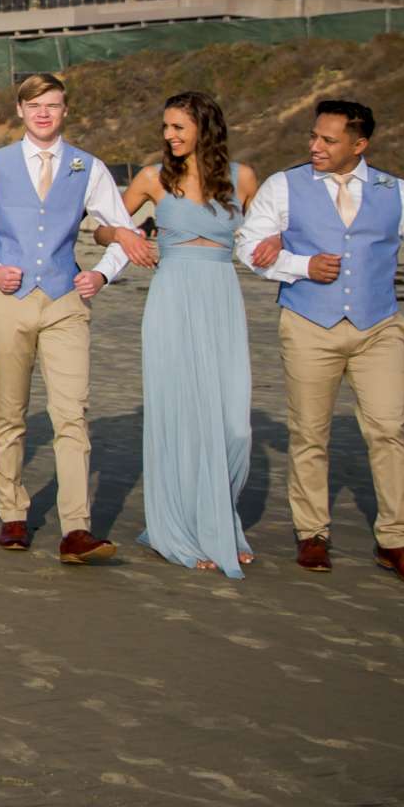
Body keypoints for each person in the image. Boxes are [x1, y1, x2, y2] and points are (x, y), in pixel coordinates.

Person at [238, 99, 404, 585]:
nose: (315, 146)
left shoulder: (398, 193)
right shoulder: (284, 185)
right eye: (314, 136)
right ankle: (311, 532)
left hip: (379, 326)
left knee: (389, 430)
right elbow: (248, 248)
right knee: (309, 433)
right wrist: (299, 266)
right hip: (307, 324)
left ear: (360, 145)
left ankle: (396, 541)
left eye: (328, 140)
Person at [0, 73, 149, 563]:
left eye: (53, 106)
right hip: (8, 301)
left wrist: (101, 276)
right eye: (35, 105)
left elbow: (121, 229)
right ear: (20, 110)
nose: (43, 113)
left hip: (65, 301)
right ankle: (13, 513)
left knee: (71, 414)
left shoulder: (88, 166)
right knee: (10, 411)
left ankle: (76, 528)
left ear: (64, 111)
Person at [98, 92, 261, 577]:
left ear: (204, 126)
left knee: (234, 424)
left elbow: (263, 235)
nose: (168, 136)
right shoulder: (152, 179)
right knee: (181, 412)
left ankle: (219, 519)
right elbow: (102, 227)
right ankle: (183, 530)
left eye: (177, 127)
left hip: (222, 296)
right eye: (165, 127)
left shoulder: (244, 178)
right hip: (171, 295)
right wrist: (126, 236)